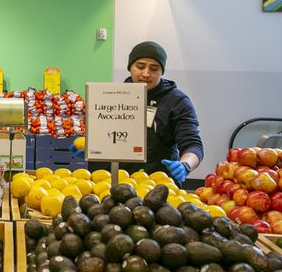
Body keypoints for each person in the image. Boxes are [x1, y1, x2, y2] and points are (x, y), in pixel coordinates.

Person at [73, 41, 204, 184]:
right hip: (116, 181)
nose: (146, 74)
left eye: (154, 69)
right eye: (140, 66)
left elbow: (193, 144)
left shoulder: (177, 102)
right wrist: (92, 149)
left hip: (157, 183)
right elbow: (106, 136)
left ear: (162, 72)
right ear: (130, 68)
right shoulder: (114, 96)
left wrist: (185, 165)